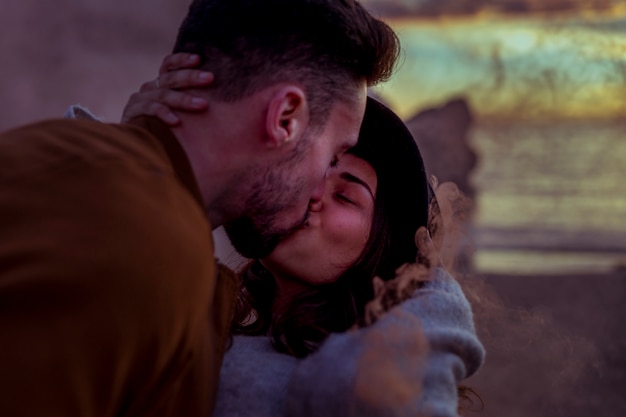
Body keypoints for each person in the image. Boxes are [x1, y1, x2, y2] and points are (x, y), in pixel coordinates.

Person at [0, 1, 400, 416]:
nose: (321, 183)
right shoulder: (139, 242)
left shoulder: (97, 183)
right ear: (284, 118)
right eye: (334, 153)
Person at [108, 66, 485, 416]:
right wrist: (141, 156)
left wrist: (427, 294)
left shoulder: (389, 375)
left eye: (345, 196)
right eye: (313, 168)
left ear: (379, 250)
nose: (314, 192)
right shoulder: (202, 319)